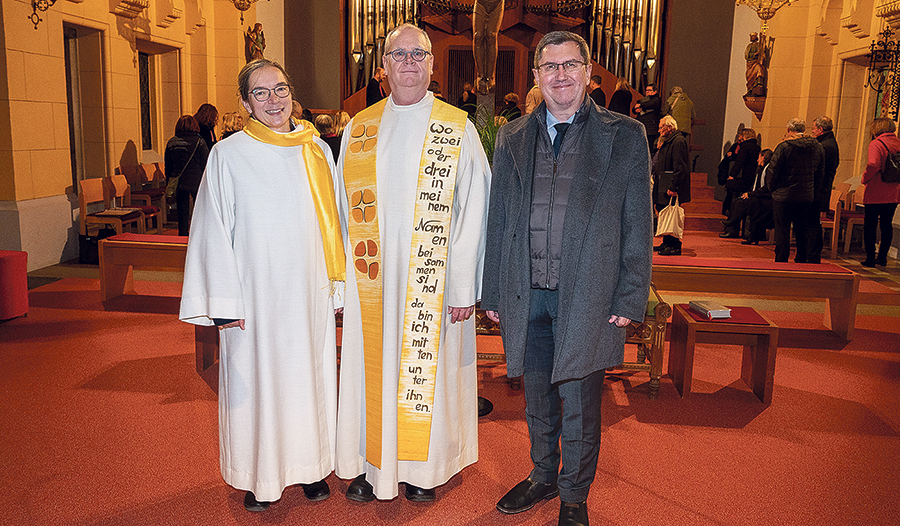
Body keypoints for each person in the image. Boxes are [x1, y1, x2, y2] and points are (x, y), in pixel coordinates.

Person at [482, 31, 652, 526]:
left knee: (579, 399)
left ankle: (574, 493)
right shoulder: (513, 137)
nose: (560, 75)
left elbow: (638, 222)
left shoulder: (624, 136)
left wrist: (630, 293)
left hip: (591, 293)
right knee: (536, 392)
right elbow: (500, 220)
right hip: (526, 289)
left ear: (588, 72)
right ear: (536, 76)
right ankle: (542, 475)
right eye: (550, 67)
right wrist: (493, 290)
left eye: (570, 65)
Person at [335, 23, 491, 503]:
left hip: (433, 284)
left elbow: (477, 208)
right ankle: (370, 464)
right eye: (398, 54)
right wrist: (343, 283)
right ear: (383, 66)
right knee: (370, 373)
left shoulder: (457, 126)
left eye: (417, 54)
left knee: (428, 375)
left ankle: (425, 472)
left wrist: (464, 287)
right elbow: (341, 212)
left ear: (431, 64)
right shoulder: (358, 128)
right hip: (372, 281)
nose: (408, 62)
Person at [179, 58, 344, 512]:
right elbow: (212, 230)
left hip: (308, 293)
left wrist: (337, 286)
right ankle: (260, 476)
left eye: (281, 89)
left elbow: (336, 225)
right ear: (244, 103)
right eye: (261, 92)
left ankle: (312, 468)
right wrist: (224, 302)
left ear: (293, 94)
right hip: (255, 297)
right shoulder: (229, 155)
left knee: (310, 380)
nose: (274, 100)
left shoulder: (316, 149)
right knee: (259, 383)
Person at [765, 118, 825, 263]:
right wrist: (813, 191)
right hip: (805, 195)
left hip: (783, 196)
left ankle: (781, 260)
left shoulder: (784, 147)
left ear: (788, 130)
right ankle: (801, 259)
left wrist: (772, 189)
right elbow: (820, 172)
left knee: (782, 229)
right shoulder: (817, 147)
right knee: (802, 229)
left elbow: (773, 171)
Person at [860, 117, 900, 267]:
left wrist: (865, 178)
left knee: (870, 224)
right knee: (886, 225)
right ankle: (882, 257)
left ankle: (870, 258)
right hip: (894, 191)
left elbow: (873, 164)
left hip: (877, 190)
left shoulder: (877, 144)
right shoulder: (898, 143)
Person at [163, 115, 209, 236]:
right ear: (194, 125)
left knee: (182, 211)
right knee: (200, 209)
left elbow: (168, 165)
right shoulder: (199, 141)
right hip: (196, 180)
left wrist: (169, 182)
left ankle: (182, 234)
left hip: (179, 180)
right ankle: (199, 233)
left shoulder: (172, 142)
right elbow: (205, 163)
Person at [653, 114, 691, 255]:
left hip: (671, 186)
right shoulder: (669, 140)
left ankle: (675, 246)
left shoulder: (678, 141)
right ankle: (666, 243)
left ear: (669, 127)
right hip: (664, 183)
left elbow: (680, 166)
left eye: (661, 127)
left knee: (671, 215)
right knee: (664, 211)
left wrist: (674, 187)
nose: (659, 131)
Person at [720, 149, 774, 245]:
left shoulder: (769, 169)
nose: (757, 160)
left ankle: (734, 221)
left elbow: (766, 188)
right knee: (737, 201)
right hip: (760, 196)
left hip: (768, 199)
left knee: (747, 203)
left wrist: (750, 194)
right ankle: (733, 222)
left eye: (759, 157)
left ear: (763, 157)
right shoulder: (761, 169)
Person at [809, 116, 839, 263]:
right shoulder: (828, 142)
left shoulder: (825, 146)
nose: (812, 131)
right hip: (820, 189)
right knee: (813, 222)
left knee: (813, 223)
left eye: (814, 128)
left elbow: (818, 170)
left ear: (821, 130)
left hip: (818, 190)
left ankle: (813, 253)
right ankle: (812, 252)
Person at [720, 128, 760, 235]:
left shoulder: (745, 146)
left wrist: (732, 175)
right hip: (750, 179)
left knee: (733, 200)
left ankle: (732, 228)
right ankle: (743, 230)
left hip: (741, 179)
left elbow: (739, 163)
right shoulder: (757, 147)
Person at [473, 0, 504, 94]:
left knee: (491, 35)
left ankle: (490, 76)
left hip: (496, 4)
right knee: (477, 36)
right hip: (481, 4)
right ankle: (480, 75)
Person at [634, 83, 664, 154]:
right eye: (646, 90)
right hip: (642, 125)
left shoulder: (657, 100)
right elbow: (636, 107)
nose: (647, 92)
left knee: (648, 148)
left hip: (651, 128)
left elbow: (651, 104)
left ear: (655, 91)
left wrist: (641, 105)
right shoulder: (644, 99)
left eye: (649, 90)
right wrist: (635, 110)